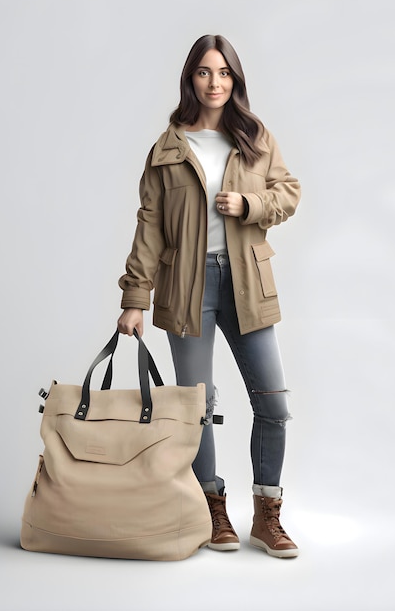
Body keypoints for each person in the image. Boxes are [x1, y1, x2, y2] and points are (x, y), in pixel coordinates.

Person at [117, 34, 301, 558]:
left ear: (235, 80)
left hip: (247, 282)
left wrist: (249, 203)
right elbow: (149, 226)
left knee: (273, 404)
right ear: (190, 79)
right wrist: (135, 297)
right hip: (186, 285)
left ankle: (268, 514)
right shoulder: (169, 148)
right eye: (204, 72)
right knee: (197, 406)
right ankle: (211, 507)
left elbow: (288, 192)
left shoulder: (255, 136)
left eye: (223, 73)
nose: (214, 82)